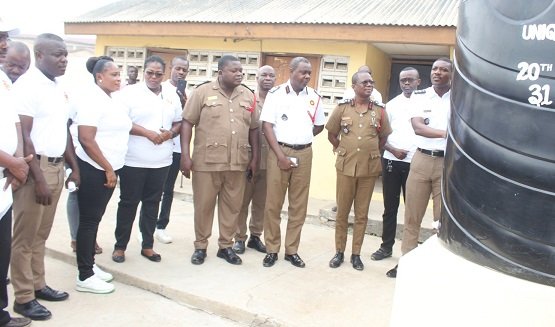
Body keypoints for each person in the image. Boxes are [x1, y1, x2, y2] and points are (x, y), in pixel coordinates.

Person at [10, 33, 80, 321]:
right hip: (33, 169)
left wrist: (73, 165)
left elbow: (61, 129)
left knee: (41, 234)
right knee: (25, 237)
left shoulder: (57, 86)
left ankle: (38, 284)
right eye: (57, 55)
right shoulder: (28, 86)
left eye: (65, 54)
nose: (64, 59)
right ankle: (23, 297)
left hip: (55, 167)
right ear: (39, 55)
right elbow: (24, 135)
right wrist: (37, 178)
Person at [181, 55, 259, 266]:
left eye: (241, 70)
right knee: (204, 205)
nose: (239, 74)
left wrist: (255, 159)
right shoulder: (202, 92)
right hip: (207, 162)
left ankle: (226, 246)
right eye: (234, 70)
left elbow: (254, 129)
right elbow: (187, 123)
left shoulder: (248, 95)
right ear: (220, 72)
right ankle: (200, 246)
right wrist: (185, 156)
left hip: (237, 162)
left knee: (232, 207)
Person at [112, 55, 181, 264]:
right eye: (150, 73)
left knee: (152, 204)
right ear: (144, 72)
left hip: (161, 161)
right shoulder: (129, 93)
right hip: (134, 160)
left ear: (164, 74)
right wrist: (147, 133)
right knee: (128, 203)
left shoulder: (171, 95)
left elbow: (179, 122)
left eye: (158, 74)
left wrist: (169, 133)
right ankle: (120, 246)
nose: (154, 77)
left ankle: (148, 245)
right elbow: (122, 121)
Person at [387, 58, 452, 278]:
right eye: (435, 69)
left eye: (443, 70)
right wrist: (447, 133)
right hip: (421, 160)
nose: (438, 72)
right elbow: (418, 128)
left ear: (451, 74)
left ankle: (437, 267)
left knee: (441, 220)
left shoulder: (460, 97)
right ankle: (406, 262)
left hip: (447, 163)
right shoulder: (420, 96)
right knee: (412, 216)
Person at [73, 56, 132, 293]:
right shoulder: (91, 100)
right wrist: (108, 168)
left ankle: (90, 265)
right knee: (88, 221)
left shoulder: (111, 99)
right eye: (114, 75)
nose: (119, 79)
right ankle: (84, 275)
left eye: (119, 75)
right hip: (94, 168)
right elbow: (86, 139)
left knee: (94, 219)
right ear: (100, 77)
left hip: (109, 167)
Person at [260, 57, 325, 268]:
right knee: (273, 203)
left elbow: (319, 126)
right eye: (302, 72)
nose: (306, 76)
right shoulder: (276, 94)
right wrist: (281, 155)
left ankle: (291, 250)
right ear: (291, 71)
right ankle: (271, 249)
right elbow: (267, 126)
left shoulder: (314, 97)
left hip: (304, 154)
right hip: (279, 151)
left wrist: (301, 140)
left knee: (299, 205)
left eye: (309, 73)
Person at [326, 71, 392, 271]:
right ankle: (339, 252)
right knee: (342, 213)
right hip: (346, 167)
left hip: (368, 169)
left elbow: (383, 138)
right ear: (354, 86)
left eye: (371, 82)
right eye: (364, 82)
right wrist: (343, 149)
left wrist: (368, 152)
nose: (369, 85)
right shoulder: (342, 108)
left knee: (361, 214)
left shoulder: (380, 111)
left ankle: (356, 254)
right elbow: (331, 134)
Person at [0, 17, 33, 327]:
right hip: (6, 169)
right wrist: (13, 163)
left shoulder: (4, 82)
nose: (3, 43)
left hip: (4, 183)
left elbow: (15, 125)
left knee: (1, 253)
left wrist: (19, 160)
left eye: (4, 38)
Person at [370, 67, 420, 262]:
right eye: (403, 80)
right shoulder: (391, 105)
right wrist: (393, 151)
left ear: (418, 82)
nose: (406, 83)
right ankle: (386, 247)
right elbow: (381, 136)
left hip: (416, 164)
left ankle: (409, 252)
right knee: (390, 207)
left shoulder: (424, 103)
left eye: (410, 80)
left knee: (412, 210)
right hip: (392, 161)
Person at [232, 65, 276, 254]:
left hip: (271, 160)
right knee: (242, 200)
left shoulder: (279, 101)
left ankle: (255, 236)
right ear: (256, 77)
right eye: (264, 75)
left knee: (262, 202)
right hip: (248, 159)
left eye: (271, 75)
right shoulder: (247, 98)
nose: (268, 78)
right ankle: (239, 237)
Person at [153, 55, 189, 244]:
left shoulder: (186, 93)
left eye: (184, 70)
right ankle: (147, 226)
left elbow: (188, 122)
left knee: (168, 190)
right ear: (171, 69)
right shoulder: (161, 89)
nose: (181, 72)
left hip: (176, 150)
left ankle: (161, 226)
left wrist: (185, 102)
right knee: (153, 191)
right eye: (178, 68)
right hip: (159, 146)